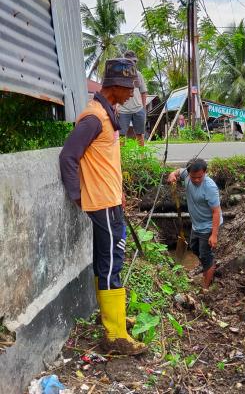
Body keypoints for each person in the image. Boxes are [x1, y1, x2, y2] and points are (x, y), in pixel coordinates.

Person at [59, 58, 146, 355]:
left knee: (107, 261)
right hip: (102, 204)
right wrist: (77, 195)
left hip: (111, 200)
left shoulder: (108, 115)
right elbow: (68, 156)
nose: (131, 94)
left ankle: (114, 319)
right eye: (128, 89)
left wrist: (118, 191)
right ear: (116, 87)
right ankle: (115, 336)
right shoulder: (94, 118)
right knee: (112, 264)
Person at [168, 159, 222, 289]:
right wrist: (172, 175)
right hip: (196, 224)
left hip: (208, 225)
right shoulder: (186, 175)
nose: (197, 180)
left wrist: (214, 235)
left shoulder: (210, 187)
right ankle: (207, 266)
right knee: (194, 247)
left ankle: (206, 286)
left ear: (205, 173)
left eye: (200, 177)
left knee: (205, 254)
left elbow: (216, 212)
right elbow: (177, 172)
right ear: (189, 173)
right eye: (194, 177)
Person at [118, 51, 148, 146]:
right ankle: (122, 159)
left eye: (134, 61)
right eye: (130, 61)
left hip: (138, 109)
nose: (133, 63)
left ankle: (142, 157)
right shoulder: (119, 75)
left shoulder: (139, 75)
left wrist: (143, 107)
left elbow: (143, 92)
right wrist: (115, 106)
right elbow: (115, 92)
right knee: (121, 135)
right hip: (123, 110)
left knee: (140, 134)